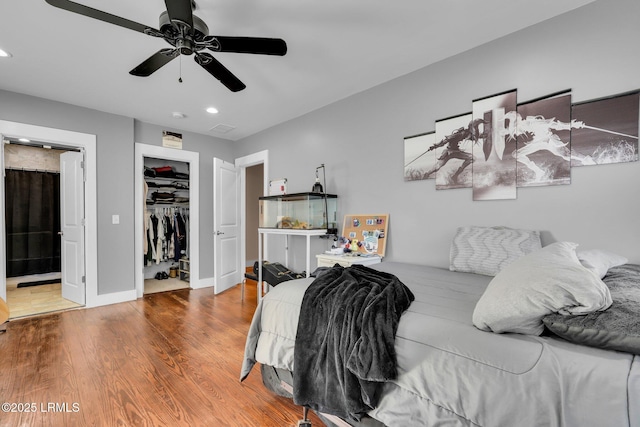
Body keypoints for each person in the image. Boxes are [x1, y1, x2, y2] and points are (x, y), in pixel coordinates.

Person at [504, 111, 585, 181]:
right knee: (516, 154)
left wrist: (572, 125)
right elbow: (509, 131)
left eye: (515, 130)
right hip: (538, 143)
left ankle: (586, 159)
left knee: (566, 155)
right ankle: (538, 171)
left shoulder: (533, 123)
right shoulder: (524, 126)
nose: (516, 133)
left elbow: (555, 125)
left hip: (548, 140)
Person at [424, 118, 486, 184]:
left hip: (456, 152)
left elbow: (475, 137)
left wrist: (485, 135)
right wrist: (434, 146)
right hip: (448, 152)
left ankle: (454, 176)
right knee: (437, 167)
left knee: (472, 158)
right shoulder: (460, 134)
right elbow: (446, 140)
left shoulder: (467, 134)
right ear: (471, 128)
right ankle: (427, 174)